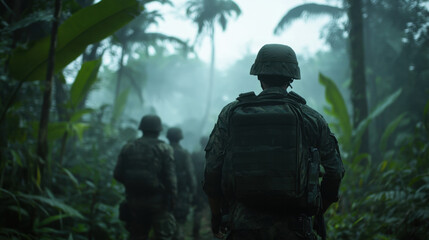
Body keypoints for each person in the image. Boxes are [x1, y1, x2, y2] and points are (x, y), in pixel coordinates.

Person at [203, 44, 345, 240]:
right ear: (291, 78)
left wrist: (217, 213)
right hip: (294, 227)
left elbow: (212, 169)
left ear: (259, 76)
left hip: (243, 226)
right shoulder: (311, 118)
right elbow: (335, 172)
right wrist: (319, 210)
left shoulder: (231, 113)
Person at [114, 114, 177, 240]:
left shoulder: (128, 147)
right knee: (163, 236)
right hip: (158, 202)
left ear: (141, 128)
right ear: (159, 130)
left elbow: (117, 174)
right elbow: (170, 178)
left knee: (137, 235)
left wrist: (133, 186)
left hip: (134, 202)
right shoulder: (164, 148)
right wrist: (173, 197)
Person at [166, 127, 196, 240]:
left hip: (163, 194)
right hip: (180, 193)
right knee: (178, 226)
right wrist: (193, 192)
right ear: (180, 138)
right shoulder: (183, 154)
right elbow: (190, 174)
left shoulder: (162, 150)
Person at [191, 136, 209, 240]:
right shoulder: (213, 155)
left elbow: (190, 171)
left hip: (197, 186)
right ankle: (214, 232)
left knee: (198, 209)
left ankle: (196, 232)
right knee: (213, 208)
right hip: (210, 186)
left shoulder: (194, 155)